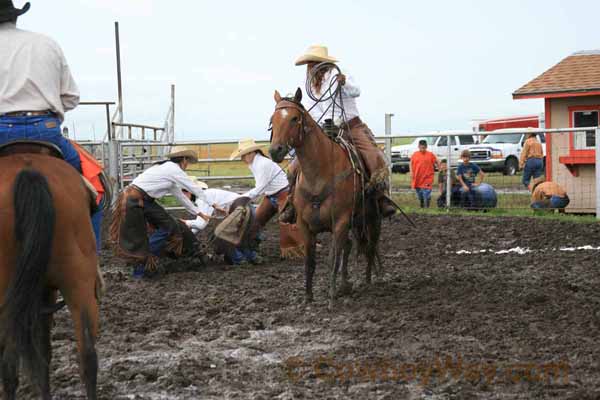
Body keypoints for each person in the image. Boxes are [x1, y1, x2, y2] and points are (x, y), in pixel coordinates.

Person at [292, 45, 396, 217]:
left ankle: (380, 198)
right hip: (324, 128)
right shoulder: (309, 84)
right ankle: (292, 201)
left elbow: (356, 92)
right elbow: (312, 109)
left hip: (350, 125)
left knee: (372, 155)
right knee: (297, 163)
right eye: (308, 63)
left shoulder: (338, 73)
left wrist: (344, 82)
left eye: (312, 62)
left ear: (322, 63)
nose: (310, 67)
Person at [110, 150, 226, 278]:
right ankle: (143, 262)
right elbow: (193, 188)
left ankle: (145, 260)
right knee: (160, 229)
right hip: (135, 200)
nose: (187, 165)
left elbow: (181, 196)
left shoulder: (167, 171)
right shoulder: (173, 169)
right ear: (184, 160)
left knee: (169, 226)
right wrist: (213, 204)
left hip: (141, 199)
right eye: (188, 162)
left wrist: (199, 213)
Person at [0, 1, 82, 172]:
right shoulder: (47, 43)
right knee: (77, 168)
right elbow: (71, 97)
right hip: (45, 130)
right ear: (15, 17)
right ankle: (95, 199)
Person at [230, 138, 304, 259]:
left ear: (251, 153)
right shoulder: (254, 163)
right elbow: (261, 187)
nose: (242, 158)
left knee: (288, 225)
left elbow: (260, 188)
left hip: (283, 194)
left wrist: (241, 198)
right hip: (271, 195)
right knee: (256, 220)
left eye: (243, 155)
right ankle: (251, 247)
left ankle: (299, 250)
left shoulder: (262, 164)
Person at [181, 180, 261, 265]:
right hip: (248, 209)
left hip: (241, 211)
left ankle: (239, 260)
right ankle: (251, 257)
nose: (183, 197)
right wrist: (189, 233)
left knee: (221, 235)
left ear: (189, 192)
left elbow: (201, 224)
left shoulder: (203, 198)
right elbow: (199, 223)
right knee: (235, 235)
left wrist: (184, 223)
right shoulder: (208, 194)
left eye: (183, 193)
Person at [410, 139, 439, 208]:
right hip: (417, 178)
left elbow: (437, 162)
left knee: (427, 193)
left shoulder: (430, 155)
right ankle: (422, 204)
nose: (422, 149)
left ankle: (427, 206)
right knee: (420, 194)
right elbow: (410, 163)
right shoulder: (415, 154)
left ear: (426, 147)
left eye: (424, 147)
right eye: (421, 147)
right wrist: (411, 172)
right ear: (418, 146)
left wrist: (440, 168)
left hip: (427, 177)